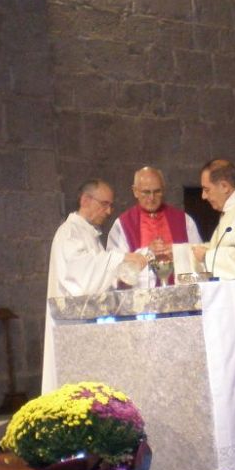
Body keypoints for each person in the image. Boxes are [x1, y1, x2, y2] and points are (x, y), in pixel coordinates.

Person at [42, 179, 148, 393]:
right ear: (85, 200)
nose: (109, 211)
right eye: (104, 204)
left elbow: (100, 274)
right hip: (72, 331)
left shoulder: (88, 234)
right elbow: (81, 279)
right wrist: (121, 259)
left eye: (111, 205)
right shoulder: (69, 233)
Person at [106, 166, 202, 287]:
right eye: (146, 192)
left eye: (157, 191)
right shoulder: (122, 224)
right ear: (135, 191)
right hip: (141, 300)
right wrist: (148, 253)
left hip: (181, 296)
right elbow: (115, 268)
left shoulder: (184, 220)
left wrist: (178, 253)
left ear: (164, 189)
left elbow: (200, 261)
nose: (151, 198)